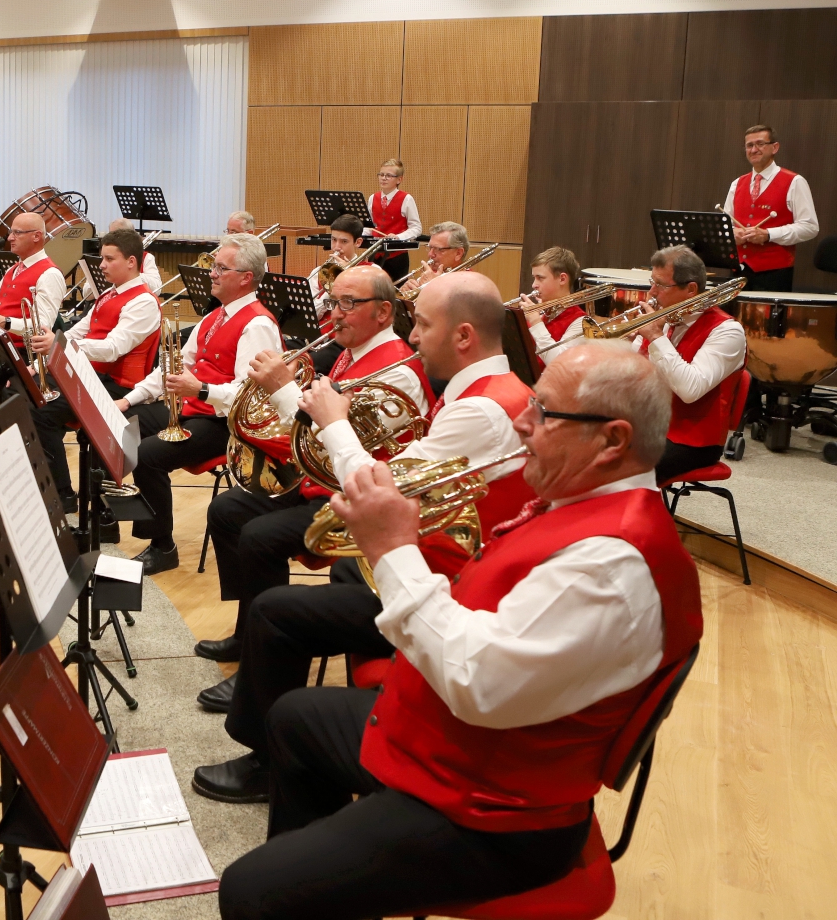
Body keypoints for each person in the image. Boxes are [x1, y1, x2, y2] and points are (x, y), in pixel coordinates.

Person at [216, 342, 702, 920]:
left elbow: (477, 684)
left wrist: (394, 550)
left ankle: (315, 885)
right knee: (295, 719)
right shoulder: (582, 505)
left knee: (250, 892)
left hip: (497, 819)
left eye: (543, 413)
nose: (522, 420)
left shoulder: (614, 565)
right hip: (459, 755)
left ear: (613, 440)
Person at [193, 272, 531, 688]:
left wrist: (306, 405)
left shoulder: (471, 404)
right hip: (363, 498)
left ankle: (263, 668)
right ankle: (248, 639)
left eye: (423, 325)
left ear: (463, 336)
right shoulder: (360, 356)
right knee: (229, 510)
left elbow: (380, 477)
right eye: (334, 302)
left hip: (429, 557)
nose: (416, 339)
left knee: (263, 544)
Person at [117, 233, 283, 574]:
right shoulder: (213, 317)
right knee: (127, 421)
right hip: (195, 408)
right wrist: (128, 399)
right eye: (214, 266)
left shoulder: (258, 324)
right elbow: (172, 367)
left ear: (245, 278)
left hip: (226, 424)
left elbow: (250, 394)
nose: (211, 273)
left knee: (146, 455)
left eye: (221, 267)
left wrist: (201, 389)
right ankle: (114, 512)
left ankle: (163, 546)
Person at [29, 229, 161, 506]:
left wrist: (61, 345)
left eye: (108, 259)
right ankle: (54, 488)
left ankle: (62, 495)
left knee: (41, 412)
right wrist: (54, 342)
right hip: (94, 376)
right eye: (102, 258)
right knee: (28, 395)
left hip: (116, 384)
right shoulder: (110, 294)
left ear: (131, 262)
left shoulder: (143, 302)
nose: (101, 265)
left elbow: (114, 348)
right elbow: (81, 330)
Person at [632, 245, 746, 484]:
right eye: (652, 282)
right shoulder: (665, 318)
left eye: (661, 285)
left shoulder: (727, 332)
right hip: (649, 425)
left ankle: (633, 520)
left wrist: (655, 337)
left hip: (692, 441)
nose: (651, 292)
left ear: (691, 289)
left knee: (619, 468)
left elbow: (689, 390)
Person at [0, 212, 65, 412]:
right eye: (11, 232)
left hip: (19, 350)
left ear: (36, 236)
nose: (9, 238)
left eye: (17, 233)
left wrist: (5, 322)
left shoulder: (50, 274)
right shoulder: (13, 269)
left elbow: (42, 328)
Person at [724, 123, 818, 292]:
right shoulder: (737, 184)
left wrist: (769, 234)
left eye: (760, 144)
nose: (754, 150)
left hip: (774, 273)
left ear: (774, 147)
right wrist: (732, 233)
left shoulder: (795, 182)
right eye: (749, 145)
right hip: (738, 270)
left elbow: (810, 227)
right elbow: (726, 225)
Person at [521, 246, 585, 363]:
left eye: (540, 278)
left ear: (562, 279)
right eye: (534, 278)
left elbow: (557, 363)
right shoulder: (542, 312)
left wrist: (536, 322)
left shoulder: (580, 322)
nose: (534, 285)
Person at [401, 221, 471, 295]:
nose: (430, 254)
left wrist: (434, 287)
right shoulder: (432, 274)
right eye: (430, 248)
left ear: (458, 253)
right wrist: (405, 294)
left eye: (439, 249)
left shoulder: (469, 283)